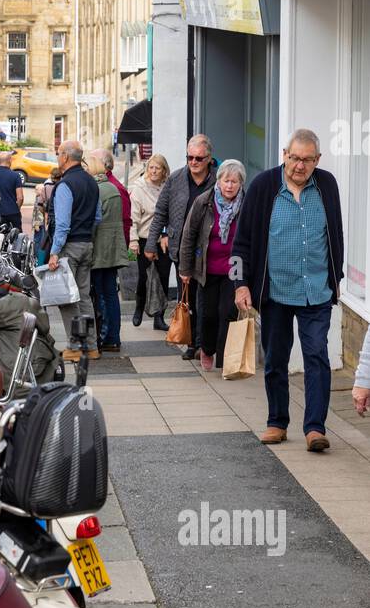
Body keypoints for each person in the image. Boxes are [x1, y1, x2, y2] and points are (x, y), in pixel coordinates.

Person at [232, 129, 343, 452]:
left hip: (316, 291)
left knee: (317, 356)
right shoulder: (263, 186)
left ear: (317, 160)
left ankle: (315, 428)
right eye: (294, 158)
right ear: (284, 155)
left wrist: (336, 277)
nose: (300, 166)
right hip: (275, 292)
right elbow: (241, 242)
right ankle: (277, 421)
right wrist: (240, 284)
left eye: (307, 160)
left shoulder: (327, 185)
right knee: (276, 359)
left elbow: (336, 234)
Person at [145, 133, 215, 361]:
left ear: (209, 158)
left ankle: (206, 343)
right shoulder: (175, 179)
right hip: (181, 248)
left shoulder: (217, 180)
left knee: (206, 300)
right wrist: (151, 243)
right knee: (187, 298)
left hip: (209, 249)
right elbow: (160, 213)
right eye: (190, 157)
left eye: (199, 158)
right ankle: (193, 343)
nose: (194, 162)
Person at [179, 160, 245, 371]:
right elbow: (189, 236)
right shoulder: (204, 201)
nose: (230, 186)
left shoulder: (246, 204)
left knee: (228, 312)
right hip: (207, 268)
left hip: (234, 269)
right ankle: (207, 349)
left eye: (234, 182)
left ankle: (225, 358)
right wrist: (185, 269)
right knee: (208, 314)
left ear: (241, 183)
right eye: (226, 181)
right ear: (219, 181)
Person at [45, 141, 100, 357]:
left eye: (58, 153)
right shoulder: (92, 181)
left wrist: (54, 252)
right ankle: (91, 347)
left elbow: (62, 224)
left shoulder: (65, 185)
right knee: (84, 297)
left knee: (66, 299)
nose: (57, 157)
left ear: (66, 157)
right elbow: (98, 217)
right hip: (87, 243)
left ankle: (75, 347)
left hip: (69, 246)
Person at [88, 154, 131, 354]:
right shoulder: (113, 188)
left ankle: (105, 336)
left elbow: (94, 222)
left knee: (100, 294)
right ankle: (113, 337)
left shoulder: (96, 190)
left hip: (99, 248)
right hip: (112, 247)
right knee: (111, 293)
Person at [129, 154, 170, 331]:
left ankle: (159, 317)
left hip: (164, 240)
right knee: (144, 277)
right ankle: (139, 307)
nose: (153, 171)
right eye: (151, 167)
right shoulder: (139, 188)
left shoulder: (168, 188)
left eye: (157, 168)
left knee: (163, 278)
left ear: (164, 171)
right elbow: (133, 218)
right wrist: (133, 240)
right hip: (145, 239)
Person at [92, 149, 131, 245]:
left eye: (92, 161)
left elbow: (125, 221)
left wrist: (121, 248)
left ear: (103, 165)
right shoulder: (97, 184)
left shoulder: (116, 188)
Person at [33, 167, 60, 265]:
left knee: (44, 243)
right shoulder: (63, 185)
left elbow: (39, 205)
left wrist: (45, 214)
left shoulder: (46, 187)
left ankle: (40, 263)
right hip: (59, 218)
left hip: (49, 219)